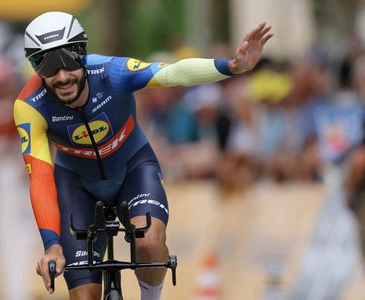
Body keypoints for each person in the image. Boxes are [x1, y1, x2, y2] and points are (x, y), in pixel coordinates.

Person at [14, 11, 272, 300]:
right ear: (35, 67)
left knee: (149, 243)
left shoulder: (112, 72)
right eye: (47, 65)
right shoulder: (29, 105)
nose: (62, 76)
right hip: (76, 185)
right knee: (84, 296)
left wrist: (233, 66)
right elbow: (40, 177)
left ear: (82, 53)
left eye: (68, 62)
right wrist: (52, 245)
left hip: (132, 169)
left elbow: (172, 74)